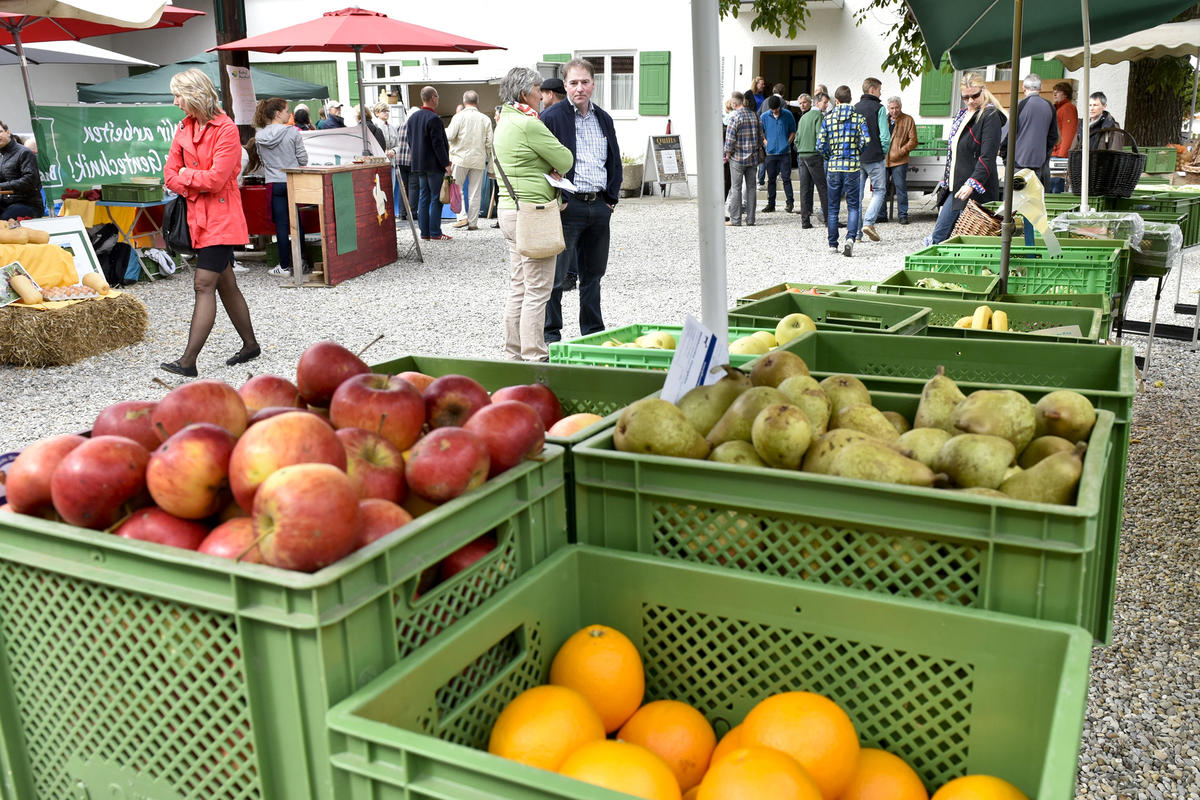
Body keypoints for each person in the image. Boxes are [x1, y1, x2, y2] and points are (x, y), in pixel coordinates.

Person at [160, 68, 258, 377]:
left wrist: (185, 178)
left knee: (203, 284)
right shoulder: (184, 127)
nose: (175, 102)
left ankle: (188, 361)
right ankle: (250, 345)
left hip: (221, 219)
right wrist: (190, 181)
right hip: (197, 218)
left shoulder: (225, 129)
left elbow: (216, 180)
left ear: (194, 95)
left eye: (178, 95)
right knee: (226, 283)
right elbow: (167, 174)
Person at [492, 66, 573, 362]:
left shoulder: (505, 121)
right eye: (538, 89)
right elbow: (565, 158)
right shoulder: (529, 124)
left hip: (510, 210)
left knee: (519, 285)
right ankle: (534, 354)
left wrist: (541, 164)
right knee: (538, 290)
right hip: (533, 213)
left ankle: (513, 351)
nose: (542, 95)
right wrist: (549, 165)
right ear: (526, 91)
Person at [541, 58, 622, 345]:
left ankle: (592, 333)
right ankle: (551, 336)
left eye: (584, 82)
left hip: (599, 206)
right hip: (568, 207)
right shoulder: (551, 118)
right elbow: (540, 164)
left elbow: (614, 160)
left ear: (593, 84)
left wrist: (610, 200)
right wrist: (558, 198)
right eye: (573, 83)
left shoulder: (603, 118)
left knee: (593, 275)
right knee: (557, 277)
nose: (579, 88)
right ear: (565, 85)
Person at [930, 72, 1006, 245]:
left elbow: (987, 157)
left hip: (973, 190)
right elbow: (954, 152)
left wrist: (972, 183)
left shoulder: (990, 116)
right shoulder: (962, 114)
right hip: (955, 187)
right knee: (945, 238)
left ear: (983, 90)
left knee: (943, 238)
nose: (971, 100)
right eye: (966, 97)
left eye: (975, 95)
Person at [253, 98, 310, 278]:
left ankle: (284, 266)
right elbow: (303, 160)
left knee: (281, 227)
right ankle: (301, 261)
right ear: (277, 113)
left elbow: (262, 162)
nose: (289, 113)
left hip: (273, 182)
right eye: (287, 110)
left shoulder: (259, 136)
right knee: (297, 224)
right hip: (292, 180)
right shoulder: (293, 132)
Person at [816, 85, 869, 257]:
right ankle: (850, 239)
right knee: (853, 206)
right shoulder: (859, 118)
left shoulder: (828, 119)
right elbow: (866, 139)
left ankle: (833, 244)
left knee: (832, 208)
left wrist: (830, 155)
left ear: (836, 101)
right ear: (850, 99)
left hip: (834, 166)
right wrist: (857, 151)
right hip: (852, 167)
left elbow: (820, 145)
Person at [406, 86, 453, 241]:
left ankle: (424, 233)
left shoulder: (412, 118)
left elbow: (410, 141)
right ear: (433, 97)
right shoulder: (434, 119)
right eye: (437, 97)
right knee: (435, 198)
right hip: (433, 165)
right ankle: (435, 232)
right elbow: (438, 144)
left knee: (423, 197)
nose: (438, 99)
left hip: (418, 163)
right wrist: (446, 163)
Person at [447, 90, 494, 231]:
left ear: (464, 102)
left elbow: (450, 135)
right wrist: (491, 167)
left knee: (455, 188)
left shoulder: (458, 117)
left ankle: (462, 217)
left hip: (459, 159)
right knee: (475, 192)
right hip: (478, 160)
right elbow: (490, 143)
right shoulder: (485, 119)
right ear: (477, 102)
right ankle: (473, 223)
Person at [1003, 75, 1058, 188]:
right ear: (1040, 88)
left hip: (1017, 164)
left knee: (1015, 202)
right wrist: (1044, 157)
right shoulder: (1049, 106)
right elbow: (1053, 136)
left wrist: (1005, 158)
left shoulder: (1020, 105)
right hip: (1039, 165)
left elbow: (1008, 134)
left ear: (1023, 88)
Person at [855, 77, 891, 243]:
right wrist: (883, 152)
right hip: (875, 157)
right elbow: (884, 136)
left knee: (857, 195)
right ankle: (869, 223)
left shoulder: (854, 108)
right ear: (872, 89)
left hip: (856, 157)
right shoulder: (880, 108)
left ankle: (856, 234)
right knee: (879, 191)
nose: (880, 92)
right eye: (879, 89)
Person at [725, 92, 764, 228]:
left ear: (734, 104)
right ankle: (751, 219)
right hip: (752, 158)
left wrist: (727, 154)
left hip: (737, 158)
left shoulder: (734, 117)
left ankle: (735, 220)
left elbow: (730, 140)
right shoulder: (754, 115)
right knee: (752, 188)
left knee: (736, 188)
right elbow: (760, 137)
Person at [794, 92, 828, 229]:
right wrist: (826, 153)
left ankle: (805, 221)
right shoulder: (818, 116)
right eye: (825, 102)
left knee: (804, 189)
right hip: (814, 155)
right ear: (817, 102)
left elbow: (796, 139)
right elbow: (820, 136)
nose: (826, 105)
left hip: (802, 154)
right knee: (822, 188)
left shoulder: (804, 117)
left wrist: (801, 148)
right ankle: (828, 220)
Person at [0, 120, 44, 219]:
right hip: (5, 203)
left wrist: (2, 187)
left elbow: (30, 180)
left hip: (28, 204)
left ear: (8, 132)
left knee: (4, 222)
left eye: (0, 132)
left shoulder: (24, 153)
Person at [884, 95, 918, 225]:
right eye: (892, 108)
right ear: (888, 108)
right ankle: (882, 215)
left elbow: (913, 141)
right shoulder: (883, 119)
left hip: (900, 160)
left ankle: (903, 215)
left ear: (900, 107)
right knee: (881, 188)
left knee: (901, 188)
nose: (894, 111)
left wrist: (901, 151)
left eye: (896, 108)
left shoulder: (908, 120)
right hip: (884, 160)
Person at [759, 95, 796, 213]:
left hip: (785, 153)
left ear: (780, 106)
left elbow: (793, 131)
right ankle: (771, 204)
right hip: (770, 153)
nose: (775, 111)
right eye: (773, 109)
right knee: (771, 179)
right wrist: (765, 142)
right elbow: (761, 131)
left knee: (786, 178)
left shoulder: (788, 115)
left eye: (777, 109)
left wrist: (787, 143)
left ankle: (790, 202)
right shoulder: (764, 116)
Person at [1051, 82, 1079, 158]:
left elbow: (1068, 134)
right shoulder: (1058, 109)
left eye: (1058, 92)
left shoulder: (1068, 108)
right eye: (1054, 92)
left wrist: (1062, 156)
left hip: (1059, 155)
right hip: (1054, 153)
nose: (1055, 94)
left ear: (1066, 94)